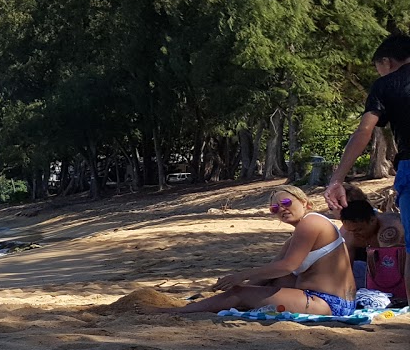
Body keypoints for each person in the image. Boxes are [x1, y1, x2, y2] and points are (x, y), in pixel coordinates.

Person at [170, 186, 356, 316]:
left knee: (240, 294)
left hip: (329, 304)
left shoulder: (311, 222)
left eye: (286, 202)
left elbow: (287, 265)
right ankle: (203, 304)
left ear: (306, 203)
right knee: (263, 283)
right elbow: (271, 271)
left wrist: (240, 280)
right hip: (336, 301)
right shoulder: (301, 232)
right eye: (275, 208)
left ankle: (176, 312)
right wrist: (233, 286)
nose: (281, 209)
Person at [325, 34, 410, 244]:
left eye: (377, 67)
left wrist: (337, 180)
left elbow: (364, 131)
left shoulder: (385, 84)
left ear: (386, 62)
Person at [339, 188, 408, 305]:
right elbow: (346, 269)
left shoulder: (390, 228)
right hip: (370, 272)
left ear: (372, 220)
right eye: (351, 230)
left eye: (359, 229)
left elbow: (394, 266)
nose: (355, 234)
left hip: (400, 270)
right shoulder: (349, 233)